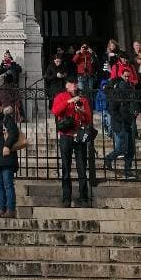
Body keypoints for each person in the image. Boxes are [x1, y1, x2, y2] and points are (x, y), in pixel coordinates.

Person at [52, 76, 93, 207]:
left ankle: (84, 197)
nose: (74, 85)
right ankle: (66, 198)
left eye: (75, 83)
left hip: (79, 135)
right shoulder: (61, 96)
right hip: (66, 134)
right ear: (66, 85)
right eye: (71, 83)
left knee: (82, 167)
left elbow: (89, 119)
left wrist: (82, 111)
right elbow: (55, 111)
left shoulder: (83, 99)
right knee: (66, 167)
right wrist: (69, 101)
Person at [105, 66, 139, 179]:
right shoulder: (118, 91)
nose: (127, 78)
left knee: (131, 150)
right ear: (121, 76)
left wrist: (135, 111)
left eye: (129, 76)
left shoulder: (131, 90)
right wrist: (120, 118)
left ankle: (127, 170)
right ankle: (108, 158)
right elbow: (111, 109)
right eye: (125, 76)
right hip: (120, 123)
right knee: (122, 148)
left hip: (128, 122)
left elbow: (134, 104)